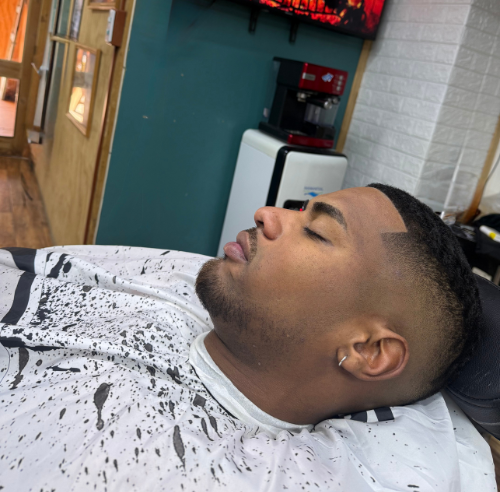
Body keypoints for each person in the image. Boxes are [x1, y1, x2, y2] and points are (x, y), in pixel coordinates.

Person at [0, 184, 495, 491]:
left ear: (368, 351)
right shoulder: (189, 281)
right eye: (299, 209)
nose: (266, 213)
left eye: (317, 232)